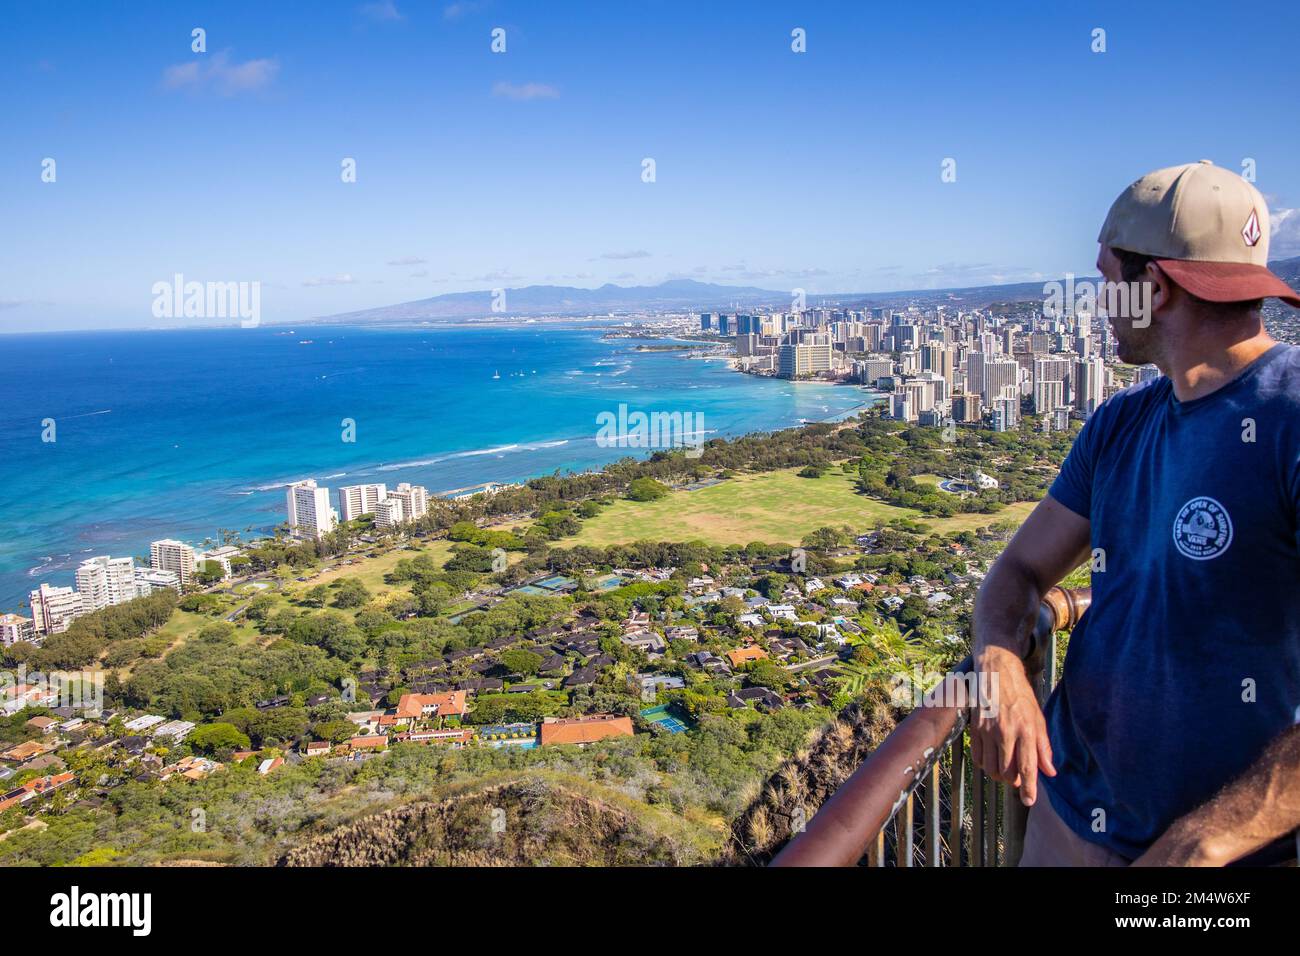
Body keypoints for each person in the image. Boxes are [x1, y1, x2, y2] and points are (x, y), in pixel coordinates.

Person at [971, 161, 1300, 866]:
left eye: (1105, 281)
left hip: (1224, 859)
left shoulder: (1289, 420)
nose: (1098, 303)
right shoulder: (1121, 422)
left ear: (1152, 288)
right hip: (1070, 811)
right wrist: (999, 663)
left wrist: (1213, 837)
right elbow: (1021, 569)